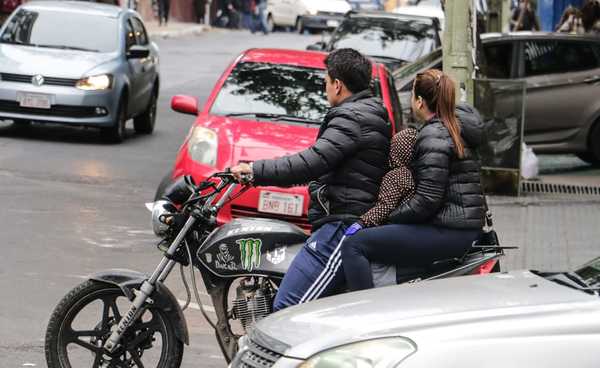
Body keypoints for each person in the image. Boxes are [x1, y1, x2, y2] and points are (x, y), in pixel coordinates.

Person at [231, 48, 391, 311]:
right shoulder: (366, 112)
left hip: (342, 225)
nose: (325, 87)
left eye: (326, 81)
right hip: (340, 218)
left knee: (287, 309)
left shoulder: (352, 118)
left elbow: (312, 162)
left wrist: (255, 171)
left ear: (338, 85)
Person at [341, 69, 486, 292]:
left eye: (412, 97)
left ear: (419, 101)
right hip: (463, 228)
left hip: (450, 230)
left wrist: (388, 218)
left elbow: (427, 200)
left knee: (354, 245)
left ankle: (363, 312)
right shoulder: (456, 127)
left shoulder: (434, 135)